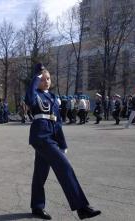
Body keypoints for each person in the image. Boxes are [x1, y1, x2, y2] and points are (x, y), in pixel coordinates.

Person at [25, 63, 101, 220]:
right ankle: (82, 207)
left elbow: (58, 122)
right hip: (41, 137)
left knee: (40, 174)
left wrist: (63, 143)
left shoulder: (53, 97)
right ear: (37, 80)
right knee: (65, 166)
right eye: (42, 79)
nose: (46, 81)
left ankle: (37, 207)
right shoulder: (34, 94)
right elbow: (29, 99)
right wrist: (35, 78)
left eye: (48, 78)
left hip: (51, 136)